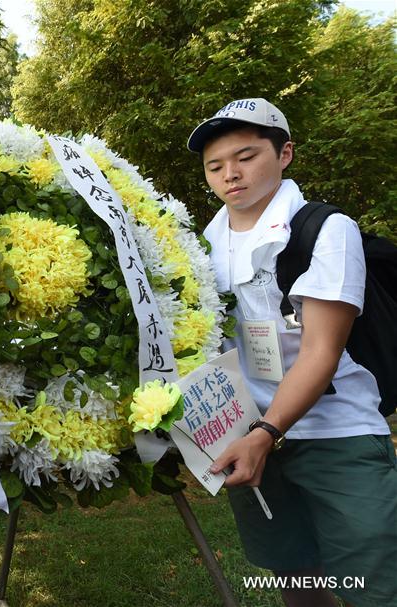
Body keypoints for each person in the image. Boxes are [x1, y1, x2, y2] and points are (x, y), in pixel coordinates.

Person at [189, 98, 397, 607]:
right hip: (249, 439)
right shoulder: (200, 247)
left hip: (335, 433)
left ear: (285, 154)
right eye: (215, 166)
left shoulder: (325, 229)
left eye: (246, 156)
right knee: (294, 574)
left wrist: (265, 433)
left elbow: (321, 350)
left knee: (376, 584)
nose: (230, 174)